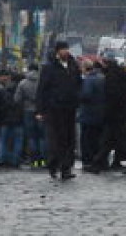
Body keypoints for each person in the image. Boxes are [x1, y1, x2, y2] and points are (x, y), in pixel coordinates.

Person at [36, 40, 82, 180]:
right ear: (57, 52)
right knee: (56, 139)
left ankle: (66, 168)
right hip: (54, 109)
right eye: (63, 49)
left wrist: (77, 98)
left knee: (69, 139)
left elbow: (79, 84)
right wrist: (40, 110)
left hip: (70, 107)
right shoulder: (49, 68)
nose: (65, 52)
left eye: (66, 49)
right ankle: (53, 164)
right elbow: (42, 89)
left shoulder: (73, 66)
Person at [76, 59, 106, 170]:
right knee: (98, 139)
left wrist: (78, 96)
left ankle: (88, 161)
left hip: (88, 114)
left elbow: (86, 95)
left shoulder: (89, 80)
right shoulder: (102, 77)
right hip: (101, 114)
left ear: (84, 68)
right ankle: (99, 160)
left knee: (87, 140)